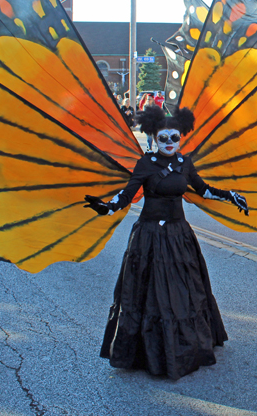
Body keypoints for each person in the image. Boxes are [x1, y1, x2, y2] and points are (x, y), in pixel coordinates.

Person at [84, 105, 248, 380]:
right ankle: (148, 352)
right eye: (164, 138)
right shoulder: (145, 164)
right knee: (151, 294)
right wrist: (107, 207)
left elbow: (203, 189)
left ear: (181, 137)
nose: (170, 143)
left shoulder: (185, 163)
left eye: (175, 137)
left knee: (184, 292)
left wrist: (230, 195)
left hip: (179, 236)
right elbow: (127, 195)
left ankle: (185, 345)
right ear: (154, 137)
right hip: (149, 236)